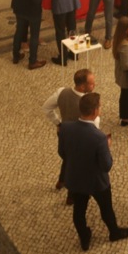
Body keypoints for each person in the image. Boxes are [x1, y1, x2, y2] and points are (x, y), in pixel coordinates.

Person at [58, 93, 128, 251]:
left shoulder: (65, 128)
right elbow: (106, 165)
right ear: (95, 111)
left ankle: (84, 237)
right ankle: (114, 232)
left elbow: (62, 153)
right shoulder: (99, 138)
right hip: (96, 181)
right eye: (99, 107)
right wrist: (107, 147)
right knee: (106, 209)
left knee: (79, 211)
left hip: (76, 178)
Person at [42, 68, 96, 202]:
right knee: (77, 166)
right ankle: (71, 195)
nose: (94, 85)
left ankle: (61, 181)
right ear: (82, 86)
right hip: (80, 138)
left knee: (68, 158)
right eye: (91, 84)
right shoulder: (86, 103)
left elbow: (46, 107)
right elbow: (93, 126)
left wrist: (58, 123)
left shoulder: (62, 92)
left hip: (64, 134)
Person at [8, 0, 46, 69]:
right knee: (34, 35)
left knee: (19, 31)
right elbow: (35, 0)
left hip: (19, 8)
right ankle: (32, 61)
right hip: (32, 12)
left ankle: (16, 56)